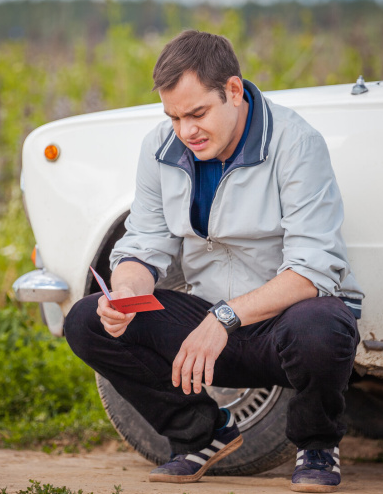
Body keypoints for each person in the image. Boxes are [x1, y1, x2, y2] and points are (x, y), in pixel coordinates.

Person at [65, 30, 363, 493]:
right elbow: (143, 244)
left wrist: (224, 317)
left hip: (284, 324)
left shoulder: (297, 142)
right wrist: (125, 292)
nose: (186, 131)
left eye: (197, 113)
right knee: (87, 321)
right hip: (207, 322)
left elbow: (312, 270)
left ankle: (317, 445)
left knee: (323, 327)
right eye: (174, 117)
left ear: (234, 91)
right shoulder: (159, 148)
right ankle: (201, 434)